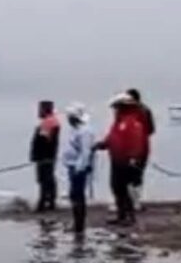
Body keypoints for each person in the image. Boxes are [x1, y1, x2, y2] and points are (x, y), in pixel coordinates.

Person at [94, 94, 148, 226]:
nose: (115, 110)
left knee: (123, 188)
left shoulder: (132, 122)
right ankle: (121, 214)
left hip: (126, 161)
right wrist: (102, 145)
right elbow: (112, 138)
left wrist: (133, 158)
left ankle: (128, 216)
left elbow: (136, 142)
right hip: (117, 160)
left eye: (117, 107)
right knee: (117, 187)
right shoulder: (119, 122)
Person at [62, 103, 94, 236]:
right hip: (72, 166)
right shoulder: (75, 130)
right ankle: (76, 223)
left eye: (70, 116)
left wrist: (79, 168)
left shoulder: (85, 131)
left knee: (77, 196)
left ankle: (79, 225)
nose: (68, 119)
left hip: (78, 168)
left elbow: (85, 152)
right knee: (74, 195)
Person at [125, 88, 156, 209]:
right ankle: (135, 201)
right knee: (137, 174)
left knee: (131, 174)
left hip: (136, 146)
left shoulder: (133, 112)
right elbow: (151, 129)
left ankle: (133, 201)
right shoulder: (145, 110)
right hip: (142, 146)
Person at [29, 100, 61, 212]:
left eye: (40, 109)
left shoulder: (48, 122)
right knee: (48, 178)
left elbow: (43, 141)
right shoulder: (52, 121)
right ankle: (50, 201)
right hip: (48, 156)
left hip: (45, 157)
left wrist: (38, 156)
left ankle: (44, 203)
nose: (38, 112)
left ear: (45, 109)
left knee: (44, 179)